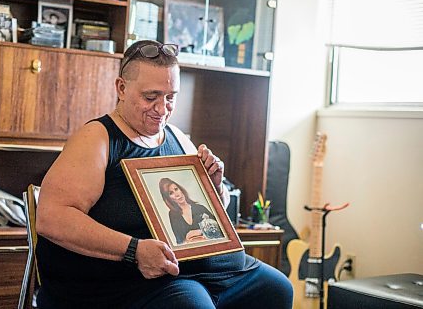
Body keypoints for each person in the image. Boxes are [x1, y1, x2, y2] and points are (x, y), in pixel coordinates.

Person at [35, 39, 293, 308]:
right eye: (151, 97)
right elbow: (52, 217)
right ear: (121, 88)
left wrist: (214, 189)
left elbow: (210, 214)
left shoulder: (178, 138)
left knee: (276, 289)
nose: (162, 109)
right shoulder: (97, 139)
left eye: (171, 97)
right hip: (130, 282)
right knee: (192, 304)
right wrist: (134, 250)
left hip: (201, 272)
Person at [158, 177, 222, 244]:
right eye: (171, 193)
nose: (177, 194)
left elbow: (220, 230)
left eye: (176, 189)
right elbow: (179, 241)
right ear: (168, 198)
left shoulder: (200, 208)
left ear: (180, 189)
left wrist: (199, 232)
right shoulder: (172, 215)